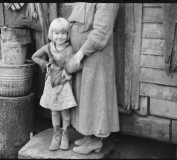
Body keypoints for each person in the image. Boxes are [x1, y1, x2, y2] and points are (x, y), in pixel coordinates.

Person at [67, 3, 120, 154]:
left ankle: (97, 141)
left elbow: (101, 32)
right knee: (87, 99)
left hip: (96, 58)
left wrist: (81, 53)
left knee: (97, 98)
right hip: (84, 57)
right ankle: (89, 136)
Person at [31, 17, 77, 151]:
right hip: (51, 83)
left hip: (65, 83)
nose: (60, 36)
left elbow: (76, 63)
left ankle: (65, 134)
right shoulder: (48, 47)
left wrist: (69, 70)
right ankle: (56, 134)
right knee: (54, 110)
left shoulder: (70, 49)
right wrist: (45, 64)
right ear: (52, 34)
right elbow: (35, 56)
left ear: (68, 34)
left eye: (63, 33)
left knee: (65, 110)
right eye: (56, 33)